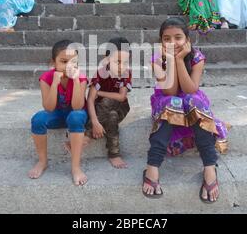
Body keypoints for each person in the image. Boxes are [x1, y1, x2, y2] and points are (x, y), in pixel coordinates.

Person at [142, 17, 230, 202]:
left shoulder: (197, 58)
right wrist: (172, 60)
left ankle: (209, 167)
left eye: (178, 37)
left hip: (191, 103)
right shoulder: (157, 60)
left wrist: (180, 60)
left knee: (192, 100)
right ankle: (153, 165)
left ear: (187, 40)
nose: (172, 42)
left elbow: (190, 88)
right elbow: (170, 90)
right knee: (172, 102)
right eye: (167, 38)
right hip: (166, 103)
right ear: (161, 41)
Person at [29, 40, 89, 186]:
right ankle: (43, 161)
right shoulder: (46, 78)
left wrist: (75, 82)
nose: (69, 66)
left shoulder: (81, 78)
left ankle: (75, 167)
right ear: (53, 62)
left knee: (75, 117)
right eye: (63, 61)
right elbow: (48, 108)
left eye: (73, 61)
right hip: (56, 114)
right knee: (37, 119)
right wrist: (54, 84)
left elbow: (77, 106)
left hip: (76, 115)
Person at [84, 37, 132, 169]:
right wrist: (95, 122)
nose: (122, 65)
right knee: (112, 117)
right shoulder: (100, 73)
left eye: (126, 62)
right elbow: (90, 100)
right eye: (118, 61)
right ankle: (114, 154)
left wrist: (99, 93)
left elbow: (122, 97)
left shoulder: (126, 73)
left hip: (121, 107)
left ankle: (87, 135)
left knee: (108, 101)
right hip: (100, 111)